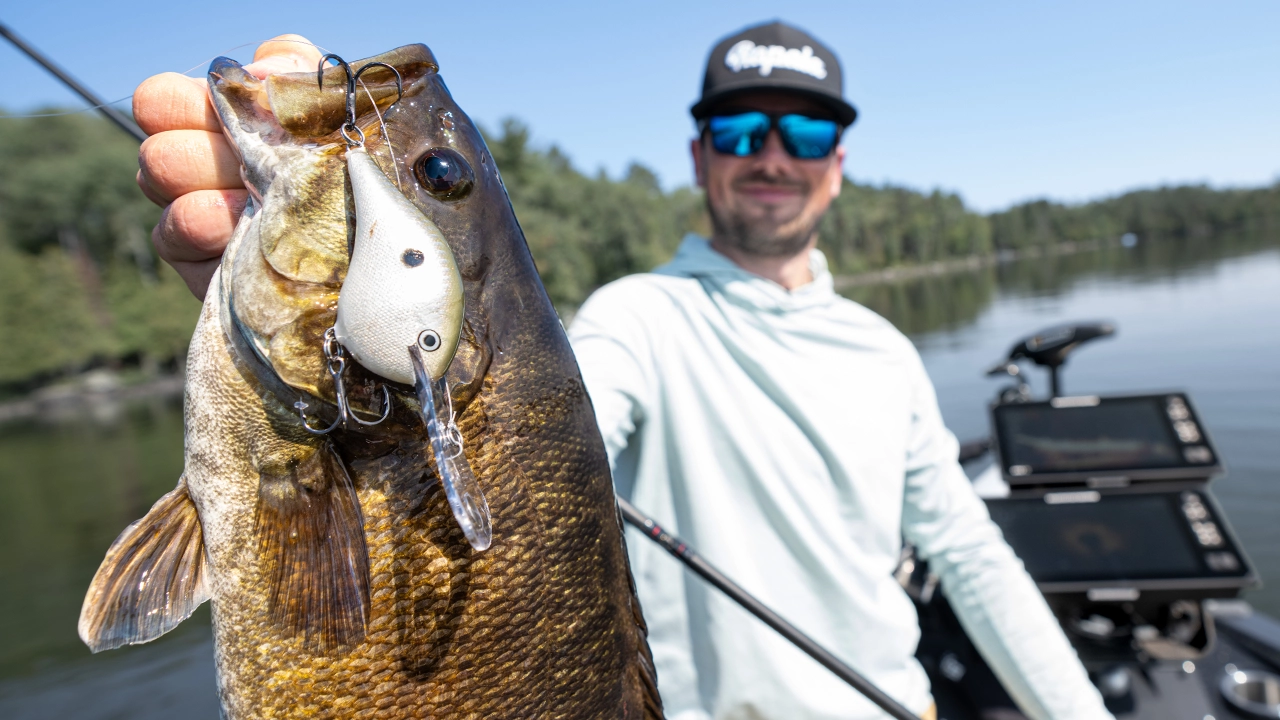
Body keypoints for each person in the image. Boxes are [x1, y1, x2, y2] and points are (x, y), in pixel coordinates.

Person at [135, 25, 1113, 720]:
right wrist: (336, 360)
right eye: (738, 132)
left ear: (836, 162)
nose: (770, 156)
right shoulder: (635, 319)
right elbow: (529, 430)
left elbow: (969, 558)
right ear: (699, 156)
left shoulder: (884, 351)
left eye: (802, 132)